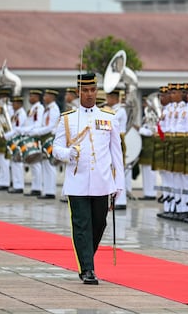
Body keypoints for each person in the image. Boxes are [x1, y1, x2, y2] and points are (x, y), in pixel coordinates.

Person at [52, 73, 125, 285]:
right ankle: (87, 269)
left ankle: (85, 258)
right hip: (77, 182)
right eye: (85, 90)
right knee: (82, 225)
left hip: (102, 182)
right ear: (78, 92)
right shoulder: (68, 118)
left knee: (99, 224)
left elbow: (117, 155)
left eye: (93, 90)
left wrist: (118, 184)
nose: (90, 94)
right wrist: (68, 154)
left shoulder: (109, 118)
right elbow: (56, 148)